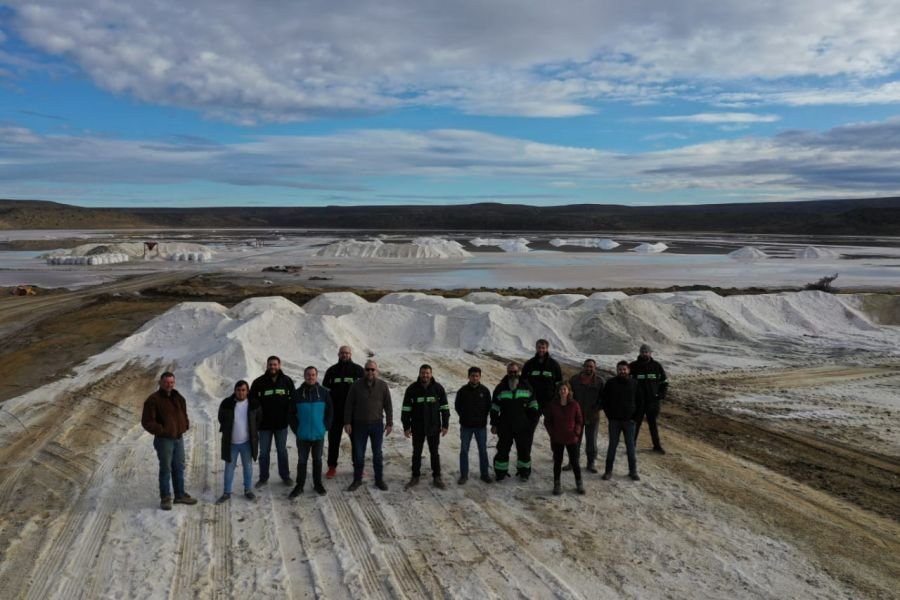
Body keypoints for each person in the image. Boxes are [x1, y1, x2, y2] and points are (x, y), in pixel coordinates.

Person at [141, 372, 198, 510]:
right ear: (160, 383)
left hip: (178, 438)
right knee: (166, 469)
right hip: (164, 440)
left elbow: (184, 413)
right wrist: (162, 430)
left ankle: (180, 495)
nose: (169, 385)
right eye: (166, 382)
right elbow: (147, 422)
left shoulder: (178, 397)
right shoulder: (153, 400)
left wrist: (185, 424)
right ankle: (165, 498)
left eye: (171, 382)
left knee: (179, 467)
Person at [344, 360, 393, 491]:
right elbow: (348, 405)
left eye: (372, 369)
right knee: (359, 455)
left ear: (377, 371)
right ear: (364, 371)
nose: (370, 372)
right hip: (359, 425)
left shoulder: (382, 385)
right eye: (367, 369)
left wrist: (389, 423)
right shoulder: (356, 385)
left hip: (377, 425)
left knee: (377, 454)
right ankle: (357, 480)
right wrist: (347, 422)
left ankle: (379, 480)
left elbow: (388, 405)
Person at [402, 364, 450, 490]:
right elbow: (406, 409)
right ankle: (415, 476)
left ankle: (437, 477)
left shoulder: (438, 388)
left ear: (431, 374)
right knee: (416, 453)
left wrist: (445, 424)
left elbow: (445, 408)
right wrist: (406, 426)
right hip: (417, 427)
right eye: (423, 373)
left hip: (433, 427)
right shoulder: (412, 389)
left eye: (427, 373)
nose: (425, 375)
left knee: (434, 453)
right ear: (419, 374)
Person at [250, 356, 295, 487]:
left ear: (279, 365)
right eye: (270, 364)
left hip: (281, 424)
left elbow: (293, 400)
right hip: (264, 425)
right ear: (267, 365)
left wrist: (288, 416)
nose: (272, 367)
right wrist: (258, 416)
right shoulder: (259, 382)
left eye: (275, 364)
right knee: (264, 452)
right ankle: (263, 478)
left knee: (282, 451)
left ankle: (285, 476)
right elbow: (252, 401)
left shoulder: (287, 381)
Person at [491, 362, 540, 481]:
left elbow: (534, 405)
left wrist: (532, 423)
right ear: (507, 372)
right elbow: (494, 407)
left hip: (523, 425)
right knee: (502, 450)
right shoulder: (501, 387)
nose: (513, 374)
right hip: (505, 425)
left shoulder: (527, 386)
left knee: (524, 450)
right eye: (510, 372)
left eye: (515, 371)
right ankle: (500, 473)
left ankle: (524, 472)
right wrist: (494, 424)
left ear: (519, 372)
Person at [289, 366, 333, 498]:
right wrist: (297, 429)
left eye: (313, 375)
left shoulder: (324, 393)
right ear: (304, 376)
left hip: (318, 434)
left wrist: (324, 427)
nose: (311, 377)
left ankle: (318, 484)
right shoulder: (297, 394)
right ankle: (300, 485)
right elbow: (291, 414)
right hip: (302, 435)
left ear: (316, 376)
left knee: (317, 460)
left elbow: (330, 412)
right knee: (302, 461)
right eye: (308, 375)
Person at [322, 345, 365, 479]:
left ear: (351, 354)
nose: (344, 355)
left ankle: (358, 467)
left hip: (353, 414)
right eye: (342, 353)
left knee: (356, 441)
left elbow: (365, 391)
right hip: (335, 413)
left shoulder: (358, 370)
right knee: (333, 441)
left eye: (347, 353)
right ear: (338, 354)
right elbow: (325, 392)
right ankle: (332, 467)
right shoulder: (331, 371)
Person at [216, 380, 262, 504]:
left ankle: (248, 490)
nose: (241, 392)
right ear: (234, 391)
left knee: (248, 467)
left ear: (247, 391)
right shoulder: (227, 403)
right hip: (231, 443)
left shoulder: (254, 404)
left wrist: (253, 431)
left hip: (247, 442)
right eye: (238, 390)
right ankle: (226, 492)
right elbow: (221, 418)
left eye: (243, 390)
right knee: (229, 468)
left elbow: (259, 419)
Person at [600, 361, 640, 481]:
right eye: (620, 369)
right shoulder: (611, 383)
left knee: (631, 447)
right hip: (614, 421)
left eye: (624, 369)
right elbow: (604, 400)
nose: (622, 371)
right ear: (617, 370)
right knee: (612, 446)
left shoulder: (635, 383)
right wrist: (609, 415)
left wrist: (635, 418)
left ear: (628, 370)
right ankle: (608, 471)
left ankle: (633, 471)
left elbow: (640, 402)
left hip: (629, 421)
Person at [454, 366, 493, 485]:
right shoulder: (462, 391)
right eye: (472, 376)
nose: (475, 378)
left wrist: (482, 417)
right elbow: (457, 406)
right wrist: (464, 416)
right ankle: (464, 475)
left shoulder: (485, 391)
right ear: (468, 376)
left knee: (483, 450)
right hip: (466, 426)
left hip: (480, 426)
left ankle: (484, 474)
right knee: (464, 450)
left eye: (477, 376)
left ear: (480, 377)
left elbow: (488, 407)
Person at [544, 382, 585, 495]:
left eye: (565, 389)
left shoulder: (574, 404)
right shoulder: (553, 405)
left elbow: (579, 420)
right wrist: (552, 433)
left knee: (575, 462)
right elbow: (547, 421)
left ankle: (579, 483)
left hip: (572, 438)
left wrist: (576, 432)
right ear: (558, 391)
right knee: (557, 462)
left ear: (569, 391)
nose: (563, 391)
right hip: (557, 438)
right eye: (561, 389)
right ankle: (557, 484)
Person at [630, 343, 669, 454]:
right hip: (638, 402)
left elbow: (664, 382)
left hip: (653, 401)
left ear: (650, 353)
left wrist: (661, 394)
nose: (644, 354)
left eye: (646, 352)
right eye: (643, 352)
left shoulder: (656, 366)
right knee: (635, 424)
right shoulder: (633, 366)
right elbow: (627, 382)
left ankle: (657, 446)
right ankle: (631, 446)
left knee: (653, 424)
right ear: (639, 353)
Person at [567, 359, 604, 473]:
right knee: (574, 440)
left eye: (591, 367)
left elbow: (604, 398)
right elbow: (569, 395)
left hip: (592, 416)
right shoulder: (574, 379)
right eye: (587, 366)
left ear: (595, 368)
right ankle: (573, 462)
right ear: (583, 366)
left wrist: (596, 409)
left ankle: (591, 463)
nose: (589, 368)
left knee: (591, 441)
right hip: (576, 416)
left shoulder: (599, 381)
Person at [522, 339, 563, 416]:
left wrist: (556, 398)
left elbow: (559, 382)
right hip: (533, 400)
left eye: (543, 348)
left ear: (547, 349)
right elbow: (523, 381)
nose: (541, 350)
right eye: (539, 347)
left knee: (550, 422)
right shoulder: (529, 364)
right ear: (536, 348)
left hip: (549, 401)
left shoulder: (554, 365)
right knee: (531, 420)